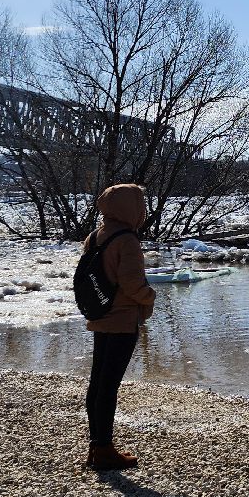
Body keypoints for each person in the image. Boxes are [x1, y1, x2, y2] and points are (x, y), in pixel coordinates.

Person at [83, 183, 156, 470]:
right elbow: (132, 283)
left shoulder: (95, 236)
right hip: (122, 319)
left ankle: (96, 444)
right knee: (109, 386)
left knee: (98, 382)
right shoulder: (127, 240)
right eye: (141, 205)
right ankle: (104, 449)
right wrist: (150, 297)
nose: (144, 211)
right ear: (131, 208)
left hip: (99, 314)